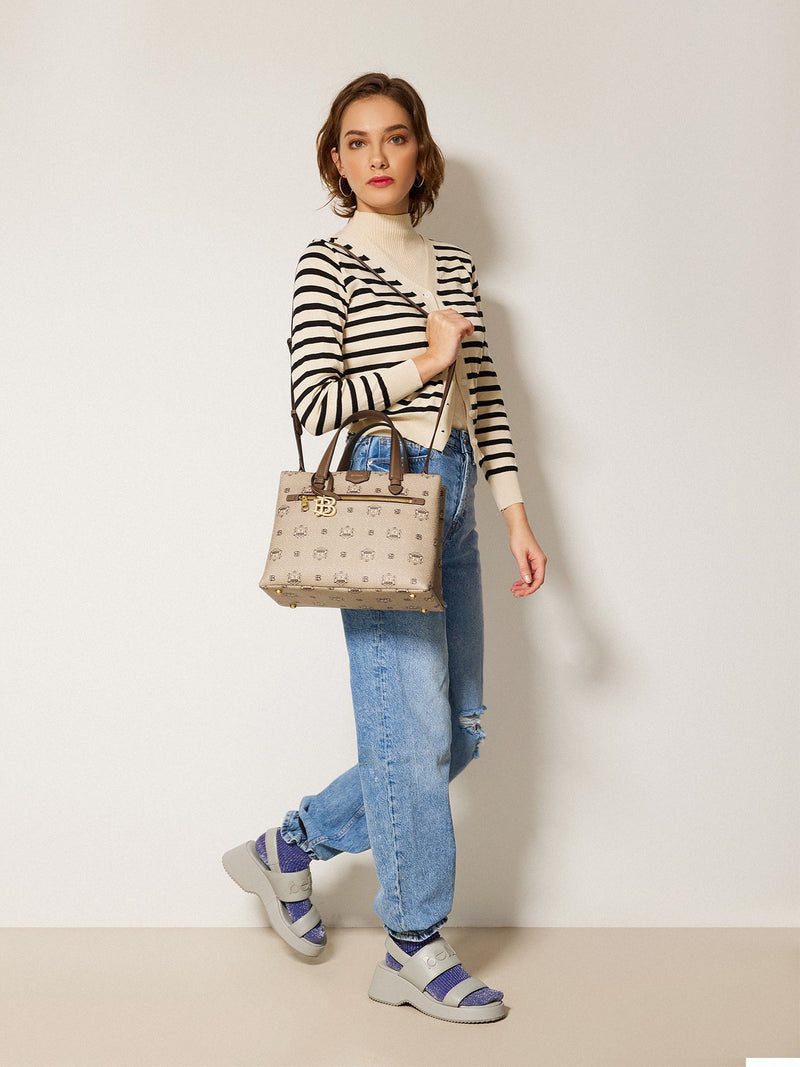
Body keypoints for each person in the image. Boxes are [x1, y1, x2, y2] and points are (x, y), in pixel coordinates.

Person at [223, 72, 546, 1024]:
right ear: (336, 159)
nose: (377, 157)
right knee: (408, 733)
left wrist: (514, 511)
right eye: (357, 142)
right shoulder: (326, 263)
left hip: (457, 491)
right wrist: (421, 362)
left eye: (394, 137)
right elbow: (315, 400)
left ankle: (290, 847)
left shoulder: (455, 268)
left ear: (419, 150)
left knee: (460, 729)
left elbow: (485, 398)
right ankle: (412, 942)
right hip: (380, 488)